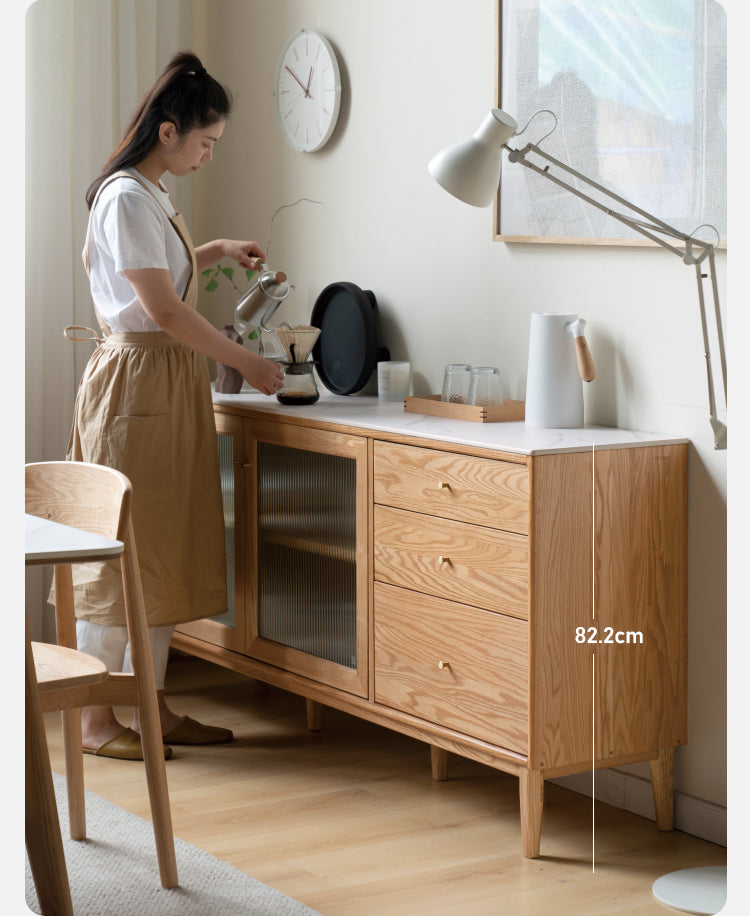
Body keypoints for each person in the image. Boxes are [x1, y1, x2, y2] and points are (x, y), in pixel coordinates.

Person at [59, 50, 284, 760]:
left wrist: (212, 250)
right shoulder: (127, 196)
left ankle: (150, 704)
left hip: (162, 380)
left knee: (157, 551)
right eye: (206, 142)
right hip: (140, 382)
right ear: (168, 132)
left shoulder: (148, 196)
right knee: (121, 550)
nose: (208, 156)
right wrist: (244, 359)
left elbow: (156, 278)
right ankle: (96, 719)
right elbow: (158, 310)